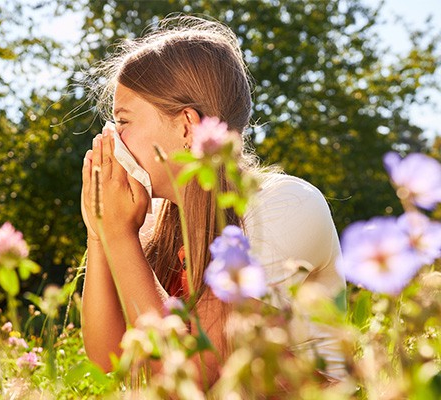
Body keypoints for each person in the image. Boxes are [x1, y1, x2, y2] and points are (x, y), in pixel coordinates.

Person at [80, 16, 346, 386]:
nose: (113, 139)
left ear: (187, 126)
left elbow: (201, 372)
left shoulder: (284, 205)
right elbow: (109, 357)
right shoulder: (157, 222)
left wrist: (121, 237)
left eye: (123, 121)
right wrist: (101, 233)